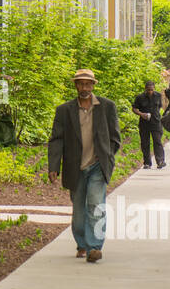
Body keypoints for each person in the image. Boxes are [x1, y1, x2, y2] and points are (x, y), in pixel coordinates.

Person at [48, 68, 121, 263]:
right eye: (81, 83)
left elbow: (115, 138)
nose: (84, 87)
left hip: (98, 166)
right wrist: (54, 166)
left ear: (93, 85)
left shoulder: (107, 107)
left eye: (88, 84)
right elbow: (56, 139)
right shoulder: (64, 111)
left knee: (96, 206)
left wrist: (107, 157)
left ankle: (94, 247)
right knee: (79, 213)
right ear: (76, 85)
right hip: (75, 167)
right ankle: (81, 243)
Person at [132, 80, 165, 170]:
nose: (150, 91)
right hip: (144, 123)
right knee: (145, 143)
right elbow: (134, 108)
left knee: (157, 141)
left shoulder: (158, 95)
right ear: (145, 89)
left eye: (151, 89)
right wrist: (141, 114)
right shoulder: (140, 97)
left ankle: (160, 161)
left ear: (154, 88)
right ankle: (147, 163)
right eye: (148, 90)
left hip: (156, 122)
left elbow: (159, 106)